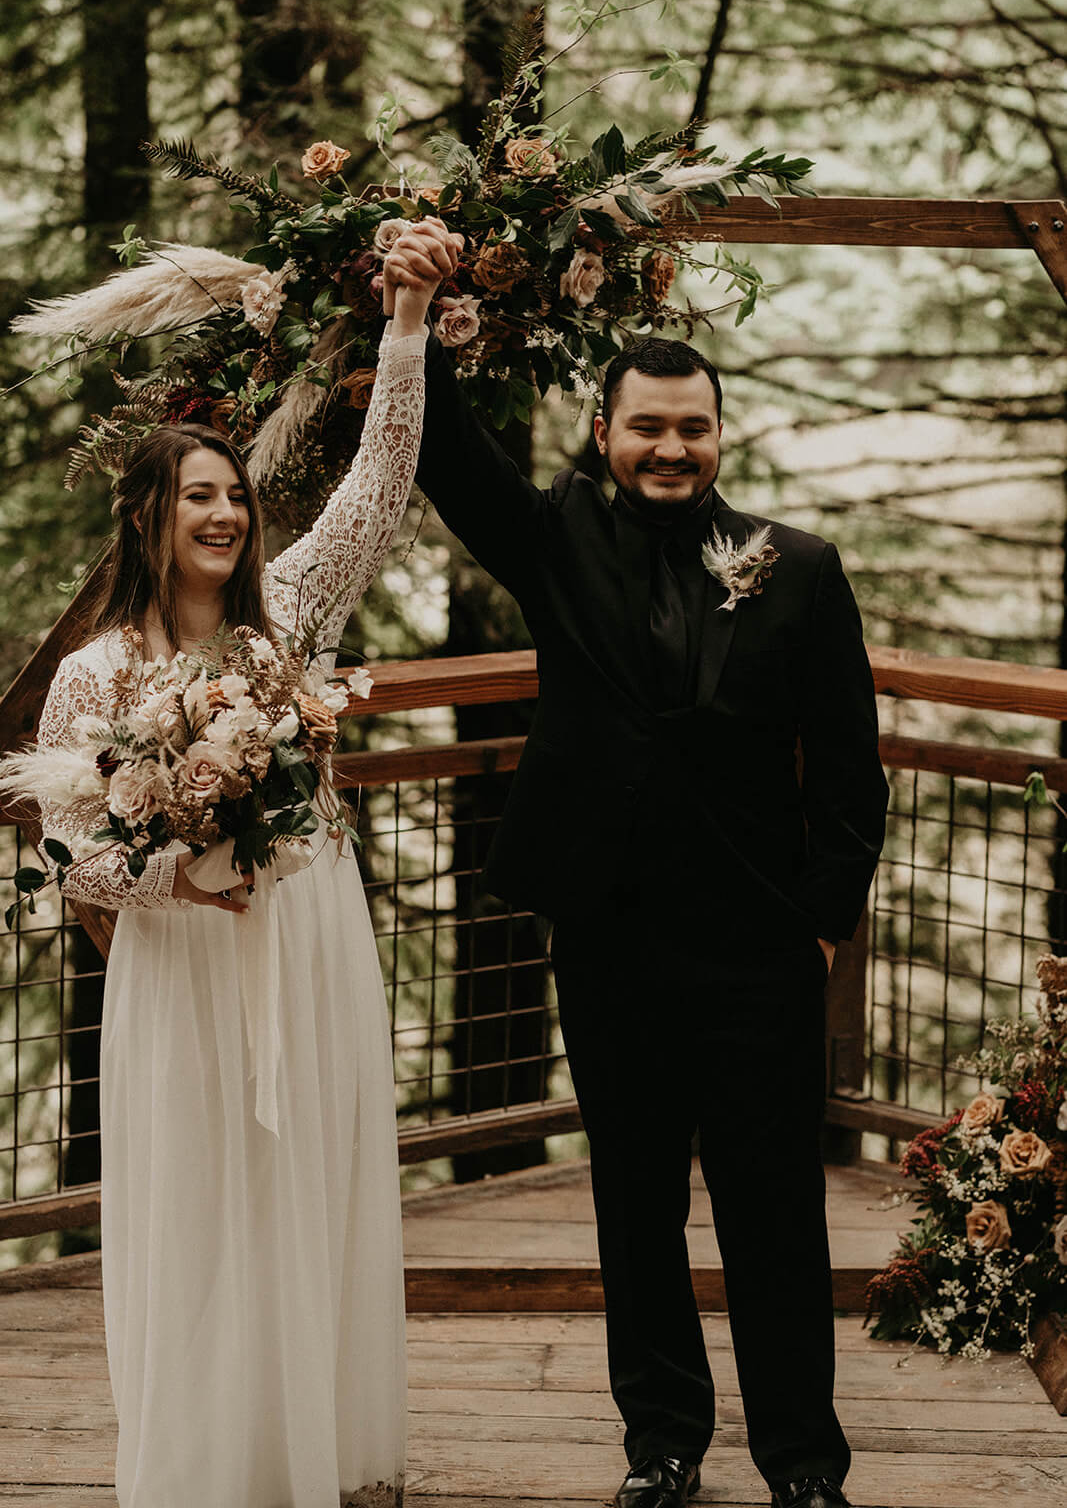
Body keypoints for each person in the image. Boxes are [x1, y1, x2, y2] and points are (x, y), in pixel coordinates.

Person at [385, 220, 889, 1508]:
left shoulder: (798, 571)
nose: (670, 448)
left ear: (721, 438)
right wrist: (411, 319)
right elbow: (448, 458)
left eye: (692, 429)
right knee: (634, 1214)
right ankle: (660, 1445)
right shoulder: (557, 545)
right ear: (604, 435)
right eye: (645, 428)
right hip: (610, 944)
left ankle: (801, 1463)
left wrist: (820, 925)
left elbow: (847, 770)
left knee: (776, 1217)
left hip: (759, 951)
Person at [24, 265, 447, 1508]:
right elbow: (68, 855)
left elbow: (376, 489)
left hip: (306, 931)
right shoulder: (93, 677)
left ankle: (303, 1447)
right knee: (197, 1197)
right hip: (184, 957)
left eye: (235, 497)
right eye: (198, 496)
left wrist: (406, 329)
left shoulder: (289, 615)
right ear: (147, 514)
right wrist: (173, 874)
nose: (226, 515)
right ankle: (207, 1462)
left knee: (306, 1180)